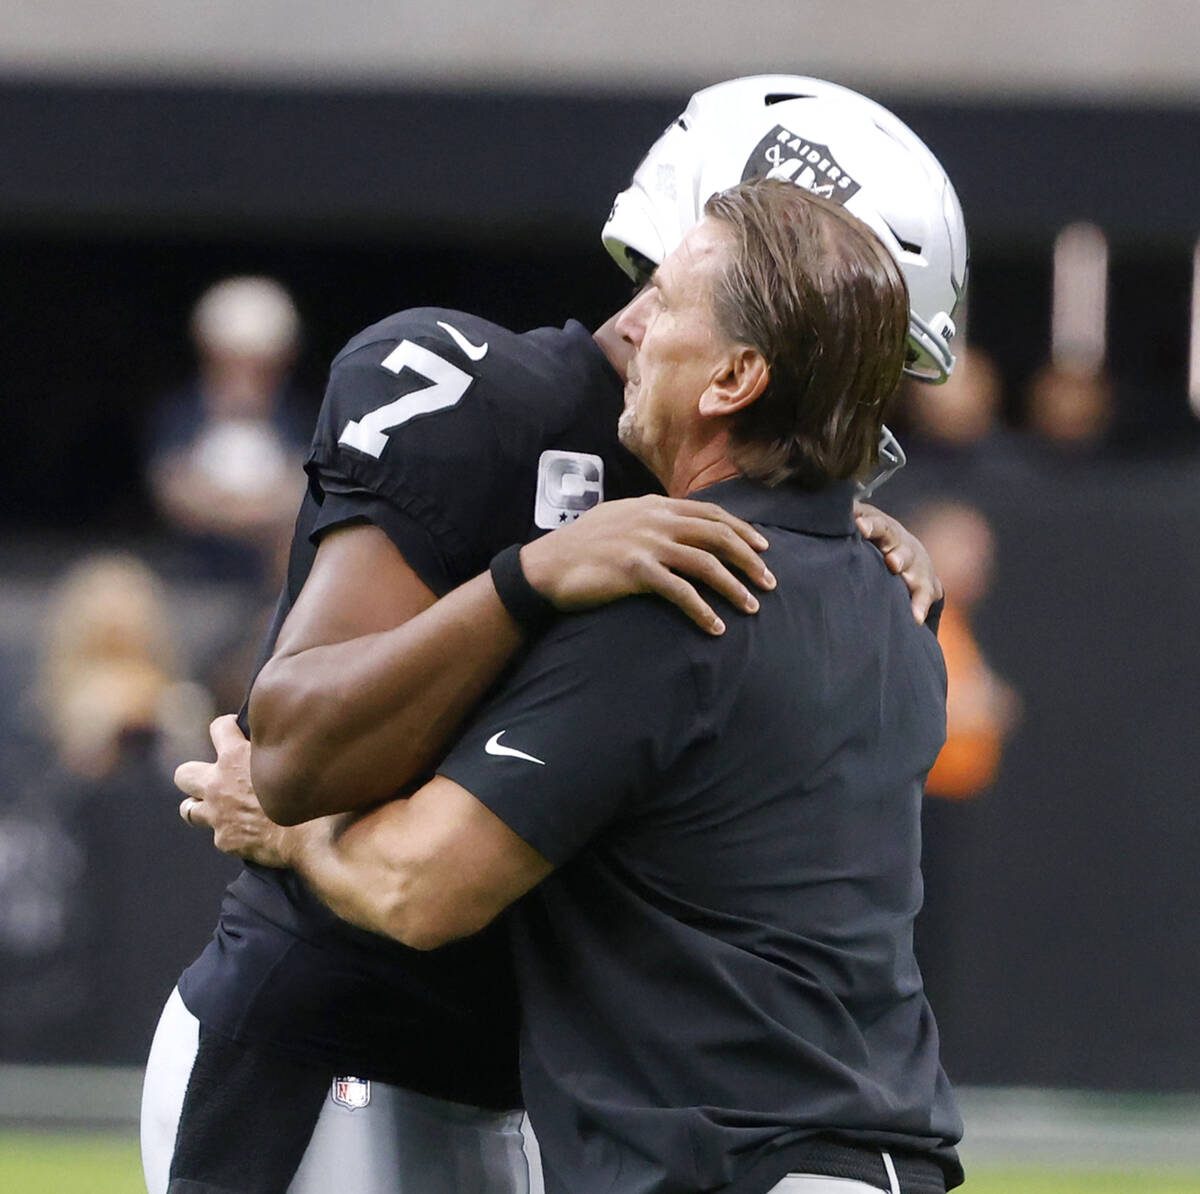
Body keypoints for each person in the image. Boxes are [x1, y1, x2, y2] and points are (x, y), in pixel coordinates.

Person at [147, 76, 966, 1194]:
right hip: (335, 1051)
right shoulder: (488, 404)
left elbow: (409, 863)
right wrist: (528, 579)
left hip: (580, 1104)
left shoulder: (770, 562)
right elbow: (291, 751)